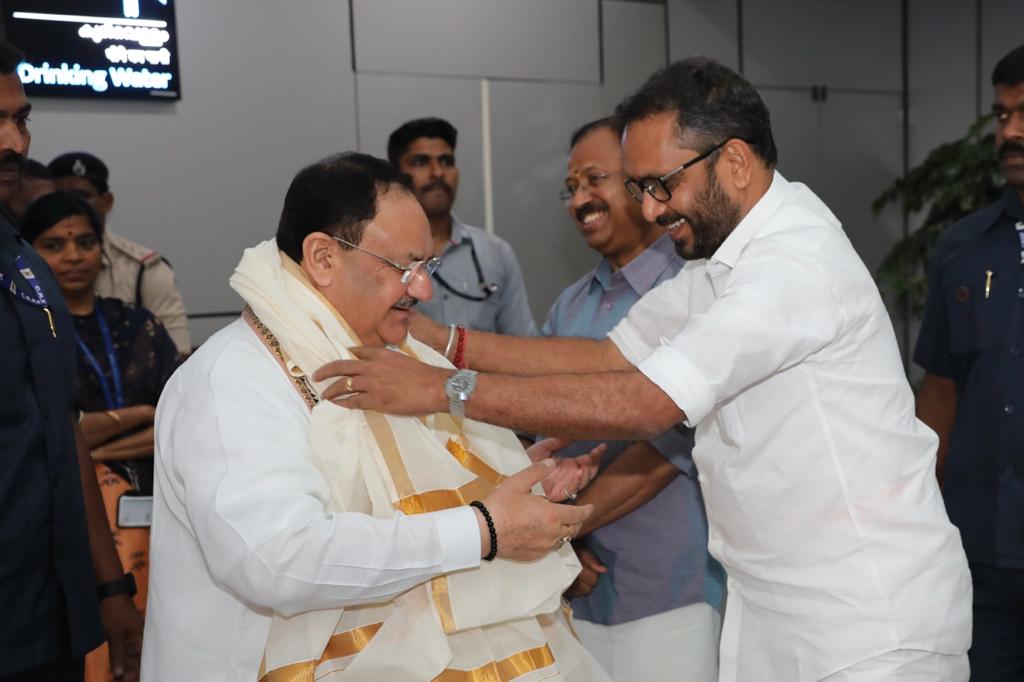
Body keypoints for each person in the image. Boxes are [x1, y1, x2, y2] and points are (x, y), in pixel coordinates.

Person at [320, 58, 974, 682]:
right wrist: (442, 340)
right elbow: (607, 355)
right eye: (641, 188)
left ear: (736, 160)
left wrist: (443, 390)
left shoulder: (790, 266)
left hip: (866, 620)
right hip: (782, 610)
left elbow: (643, 404)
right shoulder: (725, 259)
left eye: (662, 184)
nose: (654, 209)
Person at [142, 152, 607, 680]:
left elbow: (405, 477)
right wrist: (483, 530)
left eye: (428, 266)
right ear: (322, 258)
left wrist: (510, 470)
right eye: (403, 267)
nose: (424, 289)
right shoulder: (232, 379)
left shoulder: (385, 350)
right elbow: (277, 559)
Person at [544, 116, 723, 681]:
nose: (580, 200)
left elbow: (666, 451)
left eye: (594, 179)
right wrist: (558, 551)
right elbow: (537, 437)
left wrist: (562, 529)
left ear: (645, 184)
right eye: (570, 188)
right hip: (574, 596)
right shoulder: (567, 307)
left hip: (671, 593)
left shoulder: (697, 289)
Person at [0, 39, 143, 682]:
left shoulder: (27, 265)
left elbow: (63, 431)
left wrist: (111, 589)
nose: (15, 142)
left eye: (21, 119)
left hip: (48, 611)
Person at [19, 191, 180, 682]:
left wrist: (91, 438)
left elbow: (176, 419)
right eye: (54, 245)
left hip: (160, 495)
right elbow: (54, 434)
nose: (73, 256)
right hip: (73, 511)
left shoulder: (136, 324)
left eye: (85, 242)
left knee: (165, 632)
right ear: (29, 254)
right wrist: (136, 416)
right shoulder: (30, 330)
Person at [914, 42, 1024, 681]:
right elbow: (941, 396)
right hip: (977, 554)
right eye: (1002, 116)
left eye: (1023, 114)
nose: (1010, 133)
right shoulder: (962, 248)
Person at [387, 117, 537, 335]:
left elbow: (523, 345)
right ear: (396, 175)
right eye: (420, 162)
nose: (438, 172)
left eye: (446, 161)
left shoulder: (495, 252)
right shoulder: (376, 253)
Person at [49, 152, 192, 354]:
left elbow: (179, 356)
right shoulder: (28, 262)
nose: (71, 206)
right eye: (59, 198)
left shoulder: (144, 269)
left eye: (81, 196)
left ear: (106, 202)